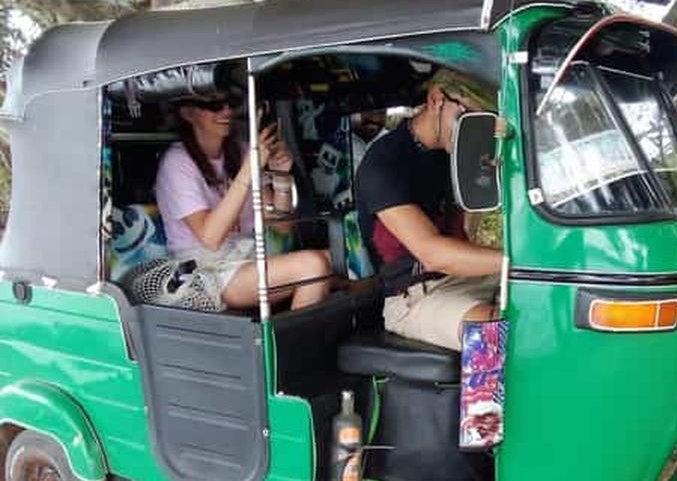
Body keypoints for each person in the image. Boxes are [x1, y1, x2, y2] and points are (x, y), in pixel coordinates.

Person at [355, 70, 502, 351]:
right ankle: (488, 397)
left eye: (485, 122)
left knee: (548, 300)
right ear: (436, 99)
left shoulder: (457, 155)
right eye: (469, 117)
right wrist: (519, 262)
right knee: (491, 330)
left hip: (464, 279)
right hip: (413, 297)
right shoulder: (383, 164)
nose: (477, 131)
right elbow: (432, 253)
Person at [155, 95, 331, 310]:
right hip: (208, 269)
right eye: (215, 105)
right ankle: (294, 344)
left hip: (247, 257)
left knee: (340, 261)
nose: (227, 111)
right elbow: (210, 238)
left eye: (231, 104)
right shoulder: (176, 162)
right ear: (188, 113)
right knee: (313, 266)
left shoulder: (240, 151)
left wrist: (281, 177)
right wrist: (248, 170)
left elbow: (281, 226)